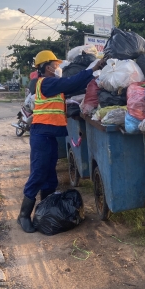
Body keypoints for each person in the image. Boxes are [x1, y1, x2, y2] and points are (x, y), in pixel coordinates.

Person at [17, 50, 103, 233]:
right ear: (47, 67)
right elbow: (71, 82)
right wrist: (92, 69)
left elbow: (73, 87)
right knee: (38, 174)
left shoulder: (52, 85)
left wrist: (94, 78)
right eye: (55, 65)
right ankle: (23, 215)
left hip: (49, 136)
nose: (58, 67)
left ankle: (45, 212)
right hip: (41, 136)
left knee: (49, 177)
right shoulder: (47, 83)